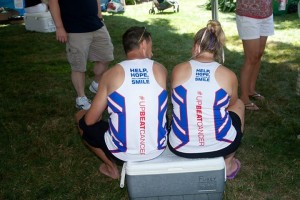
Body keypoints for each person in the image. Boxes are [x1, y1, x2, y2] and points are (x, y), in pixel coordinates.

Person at [75, 26, 169, 179]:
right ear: (144, 45)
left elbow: (90, 120)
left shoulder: (111, 74)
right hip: (157, 148)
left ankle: (111, 168)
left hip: (121, 153)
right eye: (151, 46)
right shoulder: (161, 69)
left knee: (80, 117)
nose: (152, 51)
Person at [168, 20, 245, 180]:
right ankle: (228, 164)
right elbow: (231, 104)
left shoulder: (178, 70)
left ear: (196, 46)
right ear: (218, 49)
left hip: (181, 147)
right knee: (239, 105)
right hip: (221, 146)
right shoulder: (228, 75)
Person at [49, 0, 114, 110]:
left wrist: (100, 18)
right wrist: (59, 27)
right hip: (74, 29)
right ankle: (81, 98)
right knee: (78, 65)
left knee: (106, 57)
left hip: (96, 25)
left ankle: (96, 84)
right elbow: (52, 2)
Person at [236, 0, 275, 110]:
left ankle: (251, 90)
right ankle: (244, 97)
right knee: (251, 57)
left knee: (258, 55)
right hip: (248, 15)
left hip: (267, 13)